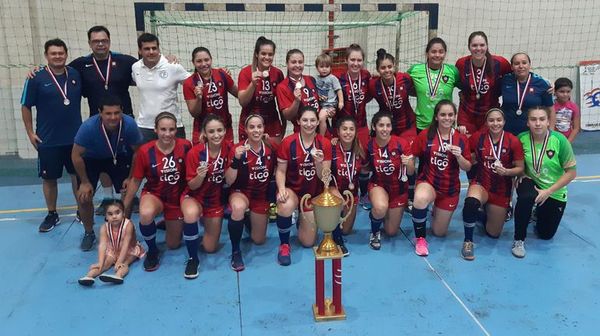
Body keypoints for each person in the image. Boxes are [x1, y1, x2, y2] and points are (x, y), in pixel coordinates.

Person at [21, 38, 82, 233]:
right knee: (49, 179)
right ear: (46, 55)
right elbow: (25, 106)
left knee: (77, 176)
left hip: (75, 139)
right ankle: (52, 213)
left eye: (61, 53)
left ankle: (82, 209)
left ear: (66, 54)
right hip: (48, 139)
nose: (57, 56)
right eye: (53, 53)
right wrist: (30, 133)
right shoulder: (35, 78)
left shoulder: (75, 74)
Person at [72, 95, 143, 251]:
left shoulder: (129, 124)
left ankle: (124, 231)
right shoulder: (88, 127)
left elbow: (138, 152)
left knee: (128, 191)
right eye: (108, 113)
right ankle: (89, 232)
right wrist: (84, 182)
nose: (113, 117)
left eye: (116, 113)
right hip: (92, 159)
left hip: (118, 156)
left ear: (122, 112)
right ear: (100, 113)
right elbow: (75, 155)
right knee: (83, 197)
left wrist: (130, 177)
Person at [123, 112, 192, 272]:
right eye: (163, 129)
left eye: (171, 129)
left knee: (173, 245)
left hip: (177, 199)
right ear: (155, 130)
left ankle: (167, 222)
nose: (167, 134)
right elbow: (136, 180)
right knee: (145, 213)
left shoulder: (186, 146)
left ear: (176, 130)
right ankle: (152, 251)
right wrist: (125, 206)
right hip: (155, 195)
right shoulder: (145, 151)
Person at [511, 106, 576, 258]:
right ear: (527, 122)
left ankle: (536, 212)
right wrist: (520, 173)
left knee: (546, 235)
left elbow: (572, 173)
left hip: (553, 190)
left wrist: (549, 191)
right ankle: (519, 239)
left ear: (548, 122)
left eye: (542, 119)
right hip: (531, 181)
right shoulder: (521, 138)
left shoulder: (559, 140)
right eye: (533, 119)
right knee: (526, 196)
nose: (537, 123)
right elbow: (517, 163)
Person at [461, 108, 524, 260]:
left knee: (493, 233)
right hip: (481, 183)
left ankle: (482, 214)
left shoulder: (513, 141)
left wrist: (507, 172)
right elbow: (468, 155)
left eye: (498, 120)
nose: (495, 123)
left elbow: (520, 168)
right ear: (486, 122)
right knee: (470, 202)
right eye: (491, 120)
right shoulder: (478, 137)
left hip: (501, 189)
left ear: (504, 121)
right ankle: (468, 241)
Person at [411, 100, 472, 256]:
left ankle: (435, 210)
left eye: (450, 115)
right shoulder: (425, 135)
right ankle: (420, 239)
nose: (447, 118)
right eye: (443, 114)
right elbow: (413, 154)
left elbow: (467, 167)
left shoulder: (461, 138)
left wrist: (459, 157)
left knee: (439, 232)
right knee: (419, 199)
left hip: (449, 188)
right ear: (436, 117)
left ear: (455, 117)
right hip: (428, 182)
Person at [275, 106, 332, 266]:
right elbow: (280, 171)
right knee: (285, 204)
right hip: (293, 190)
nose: (309, 124)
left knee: (308, 242)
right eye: (305, 120)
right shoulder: (288, 142)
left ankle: (302, 217)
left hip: (313, 194)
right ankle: (284, 245)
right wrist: (281, 190)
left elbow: (325, 179)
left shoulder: (324, 143)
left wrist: (318, 163)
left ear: (317, 121)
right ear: (298, 121)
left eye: (313, 120)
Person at [224, 114, 278, 271]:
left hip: (260, 196)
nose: (256, 130)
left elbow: (279, 169)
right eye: (252, 127)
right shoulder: (237, 149)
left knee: (259, 240)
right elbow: (228, 181)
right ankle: (236, 251)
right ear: (245, 130)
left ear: (264, 129)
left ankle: (247, 220)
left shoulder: (270, 148)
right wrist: (235, 160)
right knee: (239, 207)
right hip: (241, 192)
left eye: (259, 127)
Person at [181, 114, 232, 278]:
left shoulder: (230, 149)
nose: (216, 135)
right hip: (194, 196)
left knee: (210, 248)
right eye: (211, 132)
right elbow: (192, 185)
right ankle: (192, 259)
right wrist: (200, 176)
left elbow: (230, 181)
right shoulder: (195, 153)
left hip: (215, 201)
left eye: (219, 130)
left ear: (225, 131)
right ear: (204, 133)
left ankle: (196, 226)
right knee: (190, 214)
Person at [364, 111, 415, 250]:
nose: (384, 129)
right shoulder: (369, 145)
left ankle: (382, 211)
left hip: (398, 189)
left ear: (391, 127)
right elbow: (365, 168)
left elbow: (410, 172)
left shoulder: (401, 143)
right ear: (374, 127)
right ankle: (375, 231)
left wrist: (408, 163)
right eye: (381, 125)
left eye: (388, 125)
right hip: (378, 185)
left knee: (391, 232)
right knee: (380, 208)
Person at [132, 33, 190, 142]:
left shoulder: (172, 66)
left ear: (159, 49)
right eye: (147, 49)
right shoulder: (135, 67)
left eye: (154, 48)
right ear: (140, 51)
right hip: (145, 127)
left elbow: (194, 83)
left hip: (172, 126)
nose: (151, 52)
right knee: (145, 159)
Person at [455, 31, 512, 135]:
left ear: (487, 46)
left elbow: (517, 75)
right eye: (474, 45)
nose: (478, 48)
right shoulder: (461, 63)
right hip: (467, 114)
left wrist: (543, 82)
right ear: (469, 47)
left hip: (490, 114)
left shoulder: (500, 63)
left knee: (485, 147)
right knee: (466, 146)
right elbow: (456, 82)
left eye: (482, 45)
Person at [78, 200, 145, 286]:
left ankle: (118, 276)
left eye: (117, 213)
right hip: (113, 250)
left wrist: (119, 261)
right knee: (105, 264)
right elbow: (102, 245)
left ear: (123, 213)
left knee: (124, 264)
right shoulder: (104, 227)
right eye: (110, 214)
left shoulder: (128, 225)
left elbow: (126, 244)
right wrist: (100, 262)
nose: (114, 216)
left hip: (129, 250)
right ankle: (89, 276)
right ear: (106, 216)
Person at [183, 47, 239, 144]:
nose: (204, 64)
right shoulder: (189, 83)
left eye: (206, 60)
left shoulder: (222, 74)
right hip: (202, 130)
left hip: (224, 129)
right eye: (199, 61)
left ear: (211, 59)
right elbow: (194, 113)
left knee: (226, 158)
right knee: (203, 158)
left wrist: (252, 84)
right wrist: (199, 99)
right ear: (193, 62)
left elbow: (239, 95)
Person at [329, 116, 366, 256]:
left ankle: (337, 228)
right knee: (338, 204)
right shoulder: (331, 147)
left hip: (352, 196)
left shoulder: (359, 150)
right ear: (338, 131)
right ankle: (337, 241)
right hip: (334, 191)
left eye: (351, 129)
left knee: (346, 230)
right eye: (344, 129)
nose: (348, 132)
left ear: (356, 132)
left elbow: (368, 168)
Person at [237, 36, 285, 143]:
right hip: (250, 124)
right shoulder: (245, 72)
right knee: (250, 157)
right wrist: (253, 85)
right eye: (263, 54)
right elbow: (242, 102)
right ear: (256, 54)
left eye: (270, 54)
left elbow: (281, 103)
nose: (267, 57)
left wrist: (283, 127)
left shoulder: (278, 73)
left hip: (272, 124)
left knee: (272, 157)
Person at [408, 37, 460, 133]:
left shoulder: (452, 71)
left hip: (446, 123)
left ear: (445, 53)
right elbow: (399, 82)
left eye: (441, 52)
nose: (437, 55)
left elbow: (464, 89)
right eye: (433, 52)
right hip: (423, 124)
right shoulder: (415, 70)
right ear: (427, 53)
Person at [501, 52, 554, 136]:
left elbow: (550, 109)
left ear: (529, 65)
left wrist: (551, 133)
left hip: (532, 132)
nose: (521, 66)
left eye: (524, 63)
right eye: (516, 63)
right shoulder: (505, 80)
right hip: (507, 130)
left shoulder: (541, 83)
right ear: (512, 67)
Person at [369, 48, 416, 141]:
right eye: (383, 68)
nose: (387, 70)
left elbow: (417, 90)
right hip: (387, 128)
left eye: (389, 67)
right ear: (378, 69)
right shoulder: (373, 85)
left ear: (394, 66)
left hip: (408, 126)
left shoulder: (404, 78)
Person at [335, 44, 372, 147]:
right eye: (352, 60)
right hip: (344, 127)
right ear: (346, 60)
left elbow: (368, 95)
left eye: (359, 60)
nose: (356, 63)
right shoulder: (338, 78)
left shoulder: (366, 76)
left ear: (363, 61)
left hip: (361, 126)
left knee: (363, 158)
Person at [276, 49, 321, 134]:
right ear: (287, 64)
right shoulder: (282, 87)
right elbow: (287, 116)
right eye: (293, 62)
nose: (297, 65)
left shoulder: (311, 79)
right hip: (301, 132)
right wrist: (296, 101)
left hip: (320, 129)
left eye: (300, 62)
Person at [314, 53, 344, 136]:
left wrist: (341, 102)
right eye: (321, 66)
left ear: (330, 67)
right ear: (317, 67)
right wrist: (319, 97)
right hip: (320, 104)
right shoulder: (316, 79)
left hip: (330, 104)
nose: (324, 69)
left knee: (321, 117)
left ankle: (321, 136)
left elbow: (339, 90)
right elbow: (315, 91)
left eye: (327, 67)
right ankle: (327, 131)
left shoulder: (332, 78)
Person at [553, 77, 580, 143]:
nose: (565, 94)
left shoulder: (574, 107)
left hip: (567, 139)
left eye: (568, 92)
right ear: (555, 91)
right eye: (562, 91)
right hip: (553, 139)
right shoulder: (551, 106)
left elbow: (576, 128)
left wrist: (568, 142)